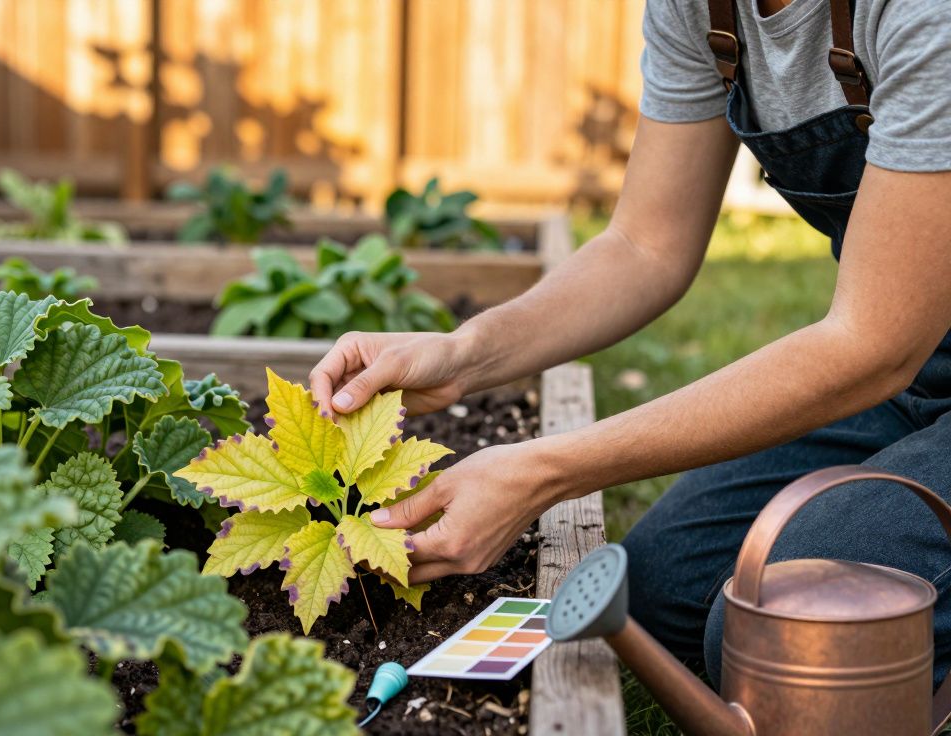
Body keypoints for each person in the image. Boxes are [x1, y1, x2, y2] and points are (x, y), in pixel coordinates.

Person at [310, 0, 951, 686]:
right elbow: (646, 245)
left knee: (796, 632)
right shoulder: (701, 9)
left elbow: (873, 344)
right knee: (659, 595)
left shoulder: (922, 15)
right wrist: (466, 352)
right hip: (916, 376)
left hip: (890, 352)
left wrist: (544, 471)